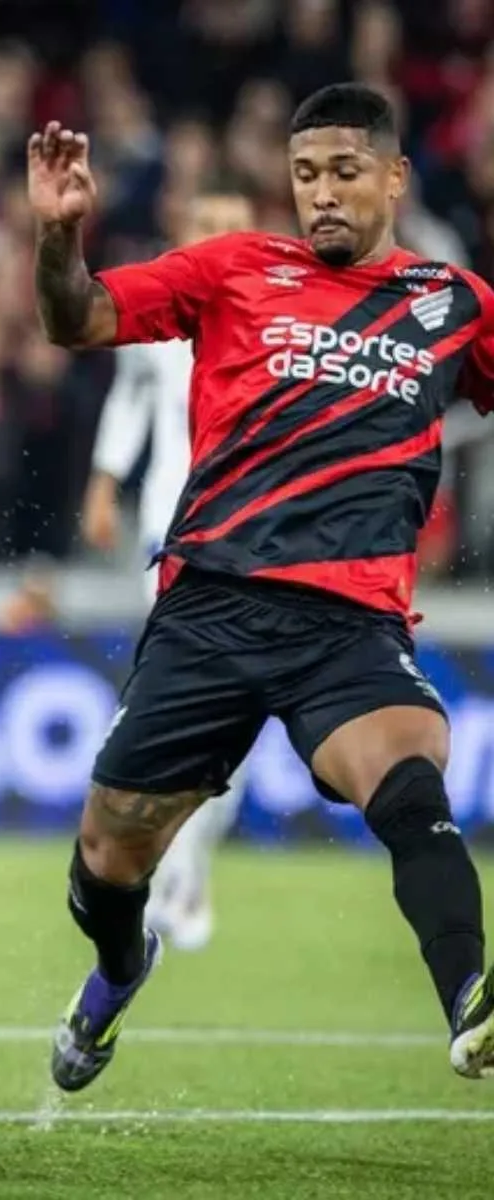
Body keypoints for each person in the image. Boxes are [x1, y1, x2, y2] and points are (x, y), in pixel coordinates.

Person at [29, 82, 494, 1091]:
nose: (321, 194)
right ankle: (119, 968)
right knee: (109, 856)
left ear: (395, 177)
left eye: (345, 172)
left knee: (412, 779)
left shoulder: (455, 305)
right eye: (304, 175)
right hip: (211, 605)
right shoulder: (235, 268)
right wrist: (61, 240)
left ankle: (470, 1001)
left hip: (352, 623)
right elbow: (79, 320)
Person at [81, 189, 255, 951]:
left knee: (237, 711)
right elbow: (129, 400)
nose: (216, 237)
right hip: (171, 534)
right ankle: (172, 873)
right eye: (204, 224)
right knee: (181, 701)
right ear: (181, 231)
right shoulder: (159, 310)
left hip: (255, 535)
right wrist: (102, 481)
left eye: (229, 226)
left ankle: (189, 866)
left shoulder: (274, 321)